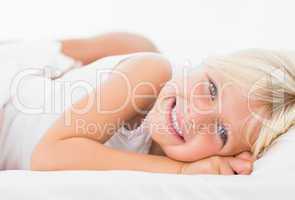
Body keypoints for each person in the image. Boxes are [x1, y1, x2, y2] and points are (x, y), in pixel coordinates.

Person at [1, 32, 294, 175]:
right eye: (212, 89)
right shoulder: (152, 72)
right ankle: (49, 54)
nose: (196, 115)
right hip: (11, 98)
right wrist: (180, 172)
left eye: (221, 132)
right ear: (207, 62)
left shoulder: (184, 152)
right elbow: (48, 156)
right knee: (141, 51)